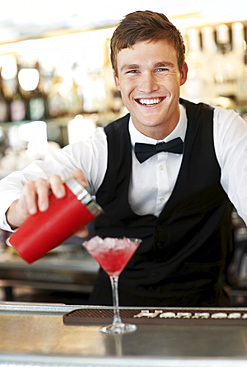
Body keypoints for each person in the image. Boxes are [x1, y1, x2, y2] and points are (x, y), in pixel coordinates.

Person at [0, 10, 247, 307]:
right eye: (133, 71)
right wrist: (20, 208)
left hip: (201, 315)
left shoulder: (222, 128)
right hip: (114, 315)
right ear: (117, 80)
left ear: (182, 72)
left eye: (161, 69)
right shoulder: (99, 148)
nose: (147, 85)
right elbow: (8, 188)